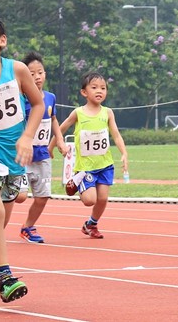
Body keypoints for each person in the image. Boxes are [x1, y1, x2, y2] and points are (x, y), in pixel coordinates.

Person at [0, 13, 44, 302]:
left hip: (13, 161)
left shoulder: (18, 70)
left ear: (2, 40)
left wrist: (26, 137)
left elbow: (36, 104)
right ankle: (5, 279)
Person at [49, 71, 128, 239]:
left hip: (105, 164)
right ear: (84, 92)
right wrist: (51, 146)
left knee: (103, 199)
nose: (99, 91)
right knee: (89, 200)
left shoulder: (108, 113)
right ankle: (76, 181)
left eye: (103, 88)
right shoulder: (78, 113)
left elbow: (116, 134)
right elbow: (60, 129)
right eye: (94, 87)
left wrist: (124, 153)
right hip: (86, 168)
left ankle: (91, 224)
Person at [16, 51, 68, 243]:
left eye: (40, 72)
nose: (37, 77)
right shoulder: (21, 99)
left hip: (42, 154)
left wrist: (59, 141)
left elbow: (53, 120)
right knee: (20, 196)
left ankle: (27, 227)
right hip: (22, 155)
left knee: (43, 196)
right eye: (31, 73)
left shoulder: (50, 97)